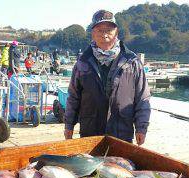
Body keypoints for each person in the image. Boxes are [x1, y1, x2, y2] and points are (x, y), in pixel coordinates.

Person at [64, 10, 151, 145]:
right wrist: (69, 125)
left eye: (109, 30)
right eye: (99, 30)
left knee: (120, 166)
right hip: (90, 131)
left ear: (116, 32)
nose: (104, 34)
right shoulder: (83, 62)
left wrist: (142, 127)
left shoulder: (132, 61)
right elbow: (73, 96)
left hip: (122, 132)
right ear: (92, 33)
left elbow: (142, 97)